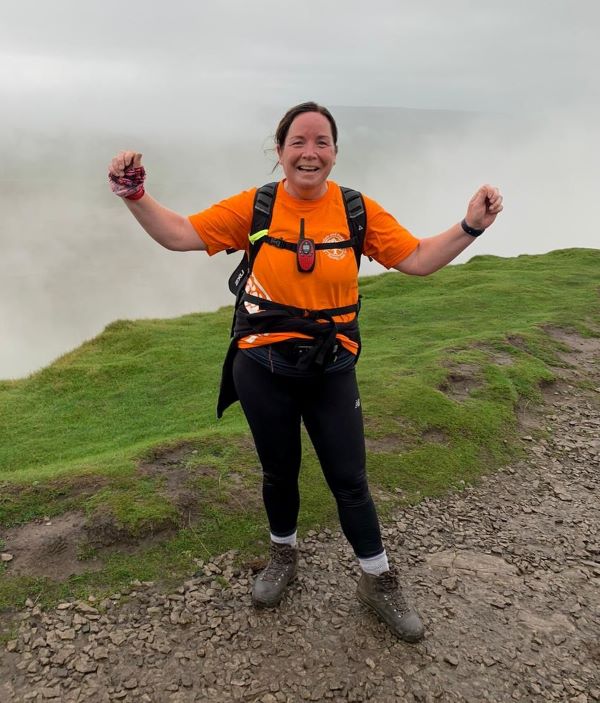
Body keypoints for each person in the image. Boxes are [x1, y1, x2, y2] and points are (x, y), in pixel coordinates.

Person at [108, 101, 503, 643]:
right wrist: (134, 194)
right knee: (279, 472)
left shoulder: (357, 211)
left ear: (335, 153)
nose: (309, 153)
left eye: (321, 142)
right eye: (298, 142)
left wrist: (470, 226)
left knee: (351, 481)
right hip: (262, 367)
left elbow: (416, 257)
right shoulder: (258, 206)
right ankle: (283, 555)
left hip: (332, 369)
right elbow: (179, 233)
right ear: (280, 151)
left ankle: (377, 580)